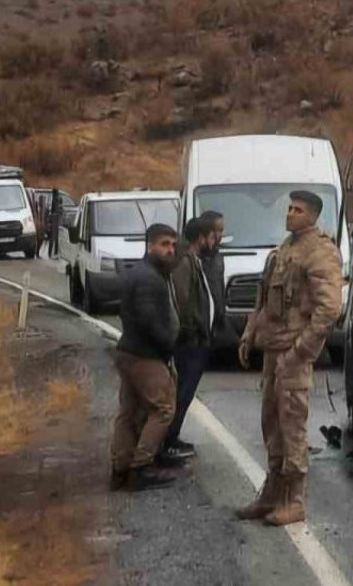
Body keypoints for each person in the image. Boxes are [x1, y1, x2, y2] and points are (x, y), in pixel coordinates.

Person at [235, 191, 343, 527]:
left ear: (313, 216)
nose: (290, 214)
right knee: (272, 422)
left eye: (298, 210)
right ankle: (272, 493)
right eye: (289, 208)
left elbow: (330, 309)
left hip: (293, 354)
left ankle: (296, 500)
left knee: (292, 423)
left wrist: (301, 350)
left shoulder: (320, 251)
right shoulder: (285, 249)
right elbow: (264, 298)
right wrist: (249, 334)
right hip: (272, 349)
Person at [109, 223, 181, 492]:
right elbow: (149, 321)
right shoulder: (149, 278)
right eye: (164, 244)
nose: (170, 250)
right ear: (149, 246)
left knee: (128, 413)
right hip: (144, 355)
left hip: (128, 351)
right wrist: (167, 348)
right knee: (163, 409)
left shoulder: (139, 273)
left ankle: (120, 469)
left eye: (173, 245)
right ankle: (140, 467)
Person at [164, 216, 217, 461]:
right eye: (213, 236)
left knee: (184, 394)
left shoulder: (195, 260)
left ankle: (172, 437)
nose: (215, 241)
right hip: (189, 343)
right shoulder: (185, 262)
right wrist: (193, 332)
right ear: (201, 238)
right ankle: (167, 441)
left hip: (196, 340)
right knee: (180, 394)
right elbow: (183, 303)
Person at [199, 210, 237, 351]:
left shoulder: (216, 257)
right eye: (218, 231)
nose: (221, 236)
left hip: (217, 320)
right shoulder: (198, 259)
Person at [45, 188, 63, 258]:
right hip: (56, 222)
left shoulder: (54, 200)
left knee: (53, 239)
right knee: (54, 239)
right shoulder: (56, 201)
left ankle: (52, 253)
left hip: (55, 221)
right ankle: (54, 253)